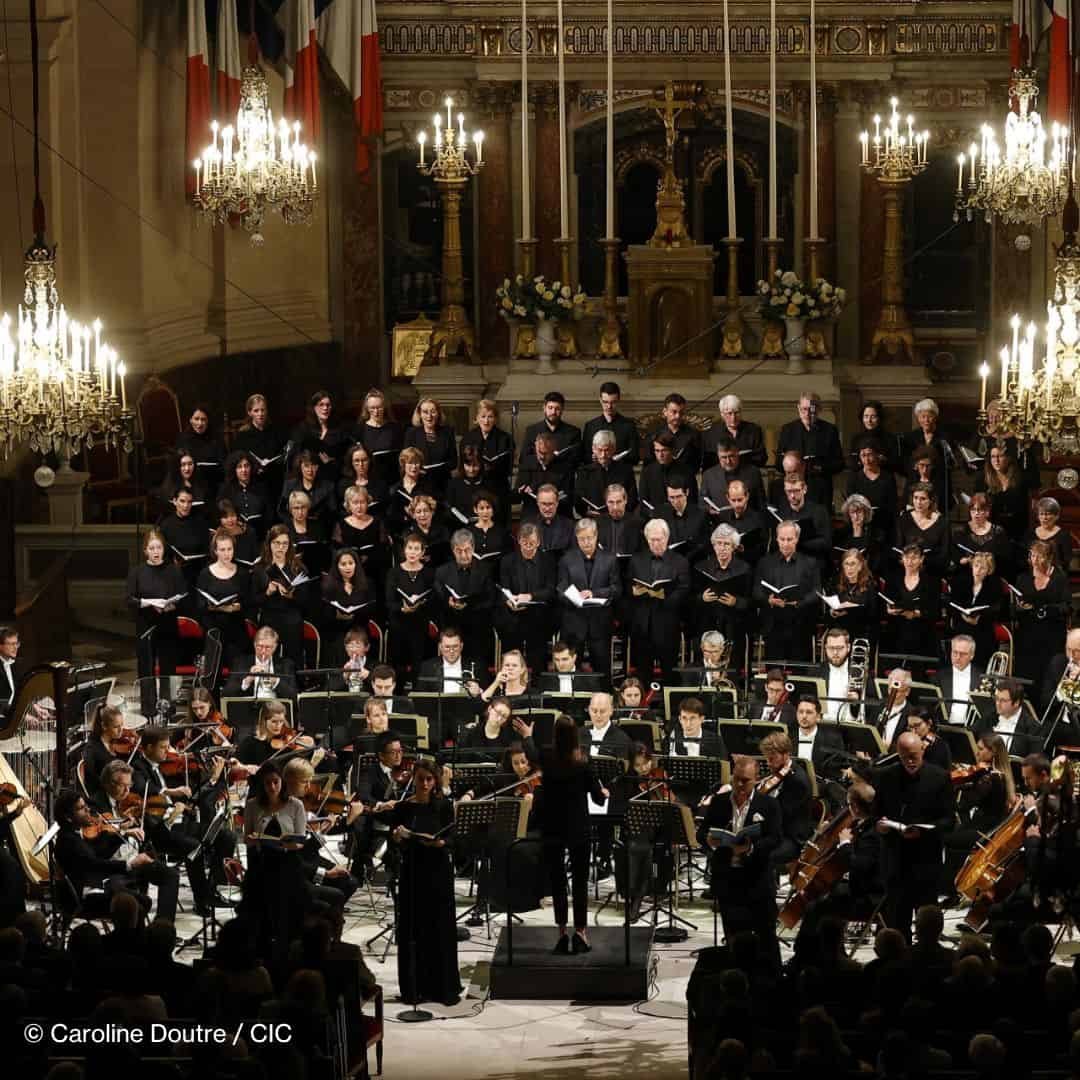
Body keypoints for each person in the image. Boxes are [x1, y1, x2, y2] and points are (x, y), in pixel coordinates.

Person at [382, 759, 462, 1004]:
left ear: (435, 780)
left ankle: (443, 988)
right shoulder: (403, 808)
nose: (425, 784)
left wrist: (441, 843)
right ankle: (415, 988)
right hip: (413, 872)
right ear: (413, 779)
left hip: (438, 871)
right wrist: (396, 837)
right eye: (421, 779)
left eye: (429, 779)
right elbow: (394, 843)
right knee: (413, 930)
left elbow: (454, 839)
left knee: (440, 928)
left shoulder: (444, 806)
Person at [698, 755, 782, 966]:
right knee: (733, 936)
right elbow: (701, 834)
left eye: (745, 780)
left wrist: (752, 847)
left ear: (757, 779)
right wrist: (709, 841)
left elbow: (775, 838)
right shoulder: (719, 802)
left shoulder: (769, 805)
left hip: (757, 879)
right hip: (728, 878)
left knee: (766, 937)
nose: (739, 785)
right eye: (736, 779)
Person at [536, 714, 608, 954]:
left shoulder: (547, 757)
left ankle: (561, 933)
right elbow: (598, 799)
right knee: (579, 881)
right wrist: (603, 791)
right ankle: (580, 933)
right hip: (578, 827)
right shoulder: (583, 761)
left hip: (552, 826)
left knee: (557, 881)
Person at [872, 730, 954, 940]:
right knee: (897, 924)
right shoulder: (885, 776)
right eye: (905, 756)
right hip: (895, 858)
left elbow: (948, 821)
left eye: (914, 756)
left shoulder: (940, 777)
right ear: (897, 754)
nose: (910, 761)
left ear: (922, 751)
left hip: (925, 858)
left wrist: (925, 831)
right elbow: (875, 815)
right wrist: (879, 826)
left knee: (928, 925)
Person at [54, 786, 176, 923]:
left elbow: (94, 857)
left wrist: (122, 831)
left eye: (85, 806)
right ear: (68, 817)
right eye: (81, 808)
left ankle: (159, 929)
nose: (88, 810)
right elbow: (94, 864)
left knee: (153, 887)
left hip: (102, 881)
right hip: (88, 895)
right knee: (139, 905)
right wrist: (130, 864)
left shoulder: (74, 833)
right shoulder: (68, 841)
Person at [242, 761, 309, 959]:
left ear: (282, 782)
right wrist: (254, 840)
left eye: (276, 782)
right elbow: (246, 837)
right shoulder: (253, 805)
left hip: (288, 864)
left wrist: (286, 844)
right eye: (267, 783)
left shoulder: (295, 805)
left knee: (286, 909)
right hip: (262, 864)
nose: (272, 787)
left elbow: (300, 840)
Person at [941, 733, 1013, 893]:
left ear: (993, 752)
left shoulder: (990, 779)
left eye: (981, 749)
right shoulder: (997, 775)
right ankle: (949, 886)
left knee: (946, 838)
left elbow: (964, 806)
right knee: (953, 833)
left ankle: (950, 887)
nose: (977, 753)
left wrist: (955, 789)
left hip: (984, 831)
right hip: (983, 825)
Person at [126, 528, 187, 715]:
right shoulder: (137, 572)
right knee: (146, 668)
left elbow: (184, 596)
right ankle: (149, 710)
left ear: (163, 548)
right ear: (145, 550)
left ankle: (168, 709)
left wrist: (172, 605)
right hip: (146, 624)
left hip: (167, 623)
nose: (155, 551)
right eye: (151, 548)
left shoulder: (173, 571)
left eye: (158, 547)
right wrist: (147, 603)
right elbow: (129, 599)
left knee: (168, 668)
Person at [628, 518, 691, 684]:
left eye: (659, 540)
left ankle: (669, 706)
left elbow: (684, 589)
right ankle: (642, 708)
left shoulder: (680, 561)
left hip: (667, 622)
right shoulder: (636, 560)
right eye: (652, 540)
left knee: (669, 670)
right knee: (643, 671)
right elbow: (628, 585)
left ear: (667, 538)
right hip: (642, 623)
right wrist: (633, 591)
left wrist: (665, 597)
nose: (656, 543)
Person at [557, 518, 621, 675]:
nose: (586, 542)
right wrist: (574, 597)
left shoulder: (610, 559)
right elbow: (560, 590)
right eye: (582, 538)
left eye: (589, 538)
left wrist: (594, 593)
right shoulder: (567, 559)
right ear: (576, 538)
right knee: (570, 672)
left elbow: (617, 589)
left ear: (596, 536)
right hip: (574, 623)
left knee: (602, 670)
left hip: (599, 623)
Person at [753, 521, 821, 663]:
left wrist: (800, 602)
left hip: (800, 622)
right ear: (776, 539)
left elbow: (817, 592)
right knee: (774, 667)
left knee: (800, 670)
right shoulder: (765, 562)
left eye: (789, 539)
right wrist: (768, 600)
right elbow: (756, 591)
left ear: (797, 539)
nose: (785, 543)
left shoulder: (810, 563)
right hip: (774, 623)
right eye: (782, 539)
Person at [495, 522, 556, 676]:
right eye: (524, 543)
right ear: (518, 540)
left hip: (539, 617)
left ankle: (538, 690)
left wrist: (531, 596)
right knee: (510, 649)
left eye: (532, 543)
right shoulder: (507, 561)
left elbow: (550, 590)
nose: (528, 547)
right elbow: (504, 588)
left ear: (539, 542)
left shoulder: (548, 561)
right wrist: (509, 601)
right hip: (514, 616)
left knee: (538, 658)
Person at [1014, 540, 1072, 687]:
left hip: (1051, 633)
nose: (1035, 560)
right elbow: (1013, 609)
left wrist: (1047, 610)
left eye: (1040, 556)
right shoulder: (1023, 578)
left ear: (1049, 558)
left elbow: (1067, 607)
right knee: (1026, 670)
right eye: (1032, 555)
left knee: (1048, 674)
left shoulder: (1059, 578)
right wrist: (1020, 607)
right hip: (1028, 632)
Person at [251, 524, 309, 668]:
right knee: (269, 656)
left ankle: (294, 685)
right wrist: (267, 593)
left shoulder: (298, 567)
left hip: (292, 617)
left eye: (284, 543)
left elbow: (306, 600)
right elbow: (253, 600)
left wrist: (291, 596)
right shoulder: (260, 568)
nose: (280, 547)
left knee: (293, 656)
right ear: (269, 544)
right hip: (269, 617)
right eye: (276, 543)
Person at [434, 530, 494, 669]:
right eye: (458, 551)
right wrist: (448, 603)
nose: (463, 555)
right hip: (451, 622)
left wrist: (469, 606)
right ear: (453, 550)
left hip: (477, 623)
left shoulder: (485, 570)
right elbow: (438, 598)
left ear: (473, 548)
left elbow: (490, 600)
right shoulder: (442, 571)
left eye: (467, 550)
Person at [691, 525, 751, 666]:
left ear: (734, 546)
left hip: (733, 624)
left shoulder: (745, 568)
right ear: (713, 545)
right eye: (719, 543)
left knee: (732, 662)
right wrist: (702, 598)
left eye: (727, 544)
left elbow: (751, 601)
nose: (722, 548)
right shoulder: (700, 567)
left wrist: (736, 602)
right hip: (707, 622)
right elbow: (689, 598)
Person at [775, 392, 844, 509]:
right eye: (804, 409)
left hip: (820, 487)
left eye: (812, 410)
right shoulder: (788, 430)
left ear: (820, 409)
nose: (807, 414)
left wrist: (821, 467)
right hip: (794, 487)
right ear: (798, 408)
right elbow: (778, 463)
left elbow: (839, 463)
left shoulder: (830, 430)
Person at [194, 527, 251, 668]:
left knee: (238, 672)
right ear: (215, 551)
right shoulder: (205, 574)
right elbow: (199, 605)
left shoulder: (242, 573)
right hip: (213, 631)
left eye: (229, 549)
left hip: (236, 630)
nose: (227, 554)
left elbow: (249, 601)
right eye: (223, 550)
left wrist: (239, 607)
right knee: (213, 674)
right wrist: (213, 607)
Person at [759, 731, 813, 875]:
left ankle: (766, 891)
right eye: (767, 758)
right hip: (776, 831)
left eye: (772, 758)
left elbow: (781, 815)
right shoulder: (777, 772)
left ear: (786, 754)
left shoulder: (797, 781)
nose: (768, 763)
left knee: (761, 853)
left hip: (791, 838)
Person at [883, 544, 940, 667]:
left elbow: (935, 610)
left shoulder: (931, 581)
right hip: (897, 628)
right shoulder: (893, 579)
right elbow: (886, 604)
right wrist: (889, 610)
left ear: (921, 560)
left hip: (922, 629)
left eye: (914, 558)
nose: (910, 561)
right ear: (902, 558)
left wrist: (915, 613)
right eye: (907, 557)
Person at [459, 399, 515, 519]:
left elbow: (509, 468)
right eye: (483, 416)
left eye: (490, 417)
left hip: (497, 488)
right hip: (474, 489)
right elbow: (462, 466)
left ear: (495, 419)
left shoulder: (505, 438)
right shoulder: (468, 438)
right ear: (476, 418)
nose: (486, 420)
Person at [947, 552, 1001, 667]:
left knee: (983, 640)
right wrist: (963, 615)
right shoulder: (961, 581)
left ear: (988, 570)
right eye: (976, 566)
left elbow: (996, 609)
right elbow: (951, 604)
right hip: (961, 625)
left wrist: (979, 618)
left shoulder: (994, 585)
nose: (978, 570)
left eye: (983, 568)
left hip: (982, 627)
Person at [900, 399, 954, 512]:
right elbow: (906, 464)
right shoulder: (910, 437)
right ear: (918, 418)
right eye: (922, 417)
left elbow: (949, 462)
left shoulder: (945, 437)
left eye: (929, 416)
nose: (926, 420)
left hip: (938, 483)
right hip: (915, 482)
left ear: (935, 417)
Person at [320, 548, 371, 667]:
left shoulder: (365, 584)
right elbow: (323, 613)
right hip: (336, 630)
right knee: (339, 642)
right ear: (337, 566)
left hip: (359, 628)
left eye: (351, 563)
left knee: (359, 639)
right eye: (343, 564)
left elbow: (370, 610)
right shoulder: (328, 586)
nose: (348, 567)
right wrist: (336, 615)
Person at [290, 390, 350, 484]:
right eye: (321, 405)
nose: (325, 408)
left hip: (331, 477)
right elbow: (296, 454)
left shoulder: (340, 430)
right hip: (307, 477)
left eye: (328, 405)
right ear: (314, 407)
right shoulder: (303, 429)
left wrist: (331, 461)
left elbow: (346, 458)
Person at [225, 625, 298, 702]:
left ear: (275, 647)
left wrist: (276, 681)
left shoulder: (286, 664)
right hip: (249, 708)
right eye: (260, 646)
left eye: (268, 647)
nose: (263, 651)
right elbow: (226, 693)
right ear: (254, 644)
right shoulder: (240, 662)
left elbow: (294, 696)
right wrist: (248, 680)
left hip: (276, 708)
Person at [574, 429, 638, 517]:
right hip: (593, 519)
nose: (603, 455)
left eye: (607, 450)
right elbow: (578, 501)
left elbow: (632, 499)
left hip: (619, 519)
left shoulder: (626, 471)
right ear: (593, 449)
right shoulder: (584, 472)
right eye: (600, 450)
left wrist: (620, 511)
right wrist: (585, 512)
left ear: (614, 449)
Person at [403, 396, 458, 497]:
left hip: (443, 484)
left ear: (438, 413)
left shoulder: (447, 432)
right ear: (419, 414)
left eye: (433, 411)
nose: (429, 416)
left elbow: (453, 462)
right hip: (420, 484)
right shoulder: (411, 433)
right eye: (425, 412)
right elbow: (406, 460)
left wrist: (436, 470)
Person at [232, 393, 286, 494]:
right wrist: (255, 467)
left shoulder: (276, 431)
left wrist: (272, 462)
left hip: (274, 476)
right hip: (252, 478)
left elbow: (283, 453)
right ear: (249, 412)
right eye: (256, 411)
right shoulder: (243, 435)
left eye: (263, 410)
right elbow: (237, 458)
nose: (260, 414)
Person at [829, 548, 880, 652]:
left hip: (863, 627)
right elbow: (832, 604)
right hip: (841, 627)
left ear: (860, 566)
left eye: (853, 564)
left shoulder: (870, 585)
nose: (849, 568)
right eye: (846, 564)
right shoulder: (837, 583)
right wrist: (832, 612)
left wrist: (851, 612)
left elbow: (874, 613)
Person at [354, 387, 404, 493]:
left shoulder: (395, 428)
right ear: (367, 408)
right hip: (369, 481)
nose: (376, 412)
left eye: (379, 408)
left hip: (392, 480)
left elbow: (402, 454)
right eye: (372, 408)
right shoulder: (360, 429)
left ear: (384, 408)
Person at [895, 482, 950, 576]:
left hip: (933, 571)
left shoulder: (942, 523)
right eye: (915, 498)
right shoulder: (904, 519)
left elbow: (945, 554)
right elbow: (898, 548)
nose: (918, 502)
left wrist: (923, 561)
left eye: (923, 499)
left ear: (931, 500)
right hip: (908, 570)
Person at [976, 679, 1043, 756]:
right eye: (996, 699)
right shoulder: (988, 718)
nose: (998, 704)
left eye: (1003, 700)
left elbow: (1034, 763)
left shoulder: (1034, 728)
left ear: (1016, 703)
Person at [976, 444, 1029, 541]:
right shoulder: (982, 480)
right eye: (993, 456)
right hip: (991, 530)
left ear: (1008, 458)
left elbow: (1025, 509)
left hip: (1016, 529)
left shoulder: (1019, 479)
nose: (996, 460)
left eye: (1000, 456)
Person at [699, 436, 765, 513]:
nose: (728, 461)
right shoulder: (708, 475)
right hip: (719, 521)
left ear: (738, 453)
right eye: (724, 457)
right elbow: (702, 503)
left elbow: (761, 503)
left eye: (731, 456)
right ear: (718, 456)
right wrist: (709, 510)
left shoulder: (753, 472)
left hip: (748, 521)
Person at [954, 493, 1012, 579]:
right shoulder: (961, 531)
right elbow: (955, 555)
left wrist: (991, 558)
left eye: (980, 510)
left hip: (991, 577)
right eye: (973, 510)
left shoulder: (998, 532)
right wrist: (963, 560)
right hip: (968, 576)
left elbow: (1006, 559)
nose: (976, 513)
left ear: (987, 512)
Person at [520, 390, 581, 471]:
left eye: (557, 409)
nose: (553, 412)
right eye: (550, 408)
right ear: (544, 408)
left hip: (563, 479)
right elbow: (524, 459)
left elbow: (576, 461)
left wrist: (551, 459)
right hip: (538, 479)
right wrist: (542, 459)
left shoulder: (573, 433)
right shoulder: (531, 431)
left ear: (562, 409)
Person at [643, 393, 703, 475]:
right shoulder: (653, 433)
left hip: (685, 481)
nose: (678, 416)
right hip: (659, 479)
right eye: (674, 412)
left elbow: (697, 463)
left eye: (681, 412)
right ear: (665, 412)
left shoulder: (694, 435)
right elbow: (648, 462)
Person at [702, 393, 768, 465]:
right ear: (722, 414)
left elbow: (762, 458)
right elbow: (708, 463)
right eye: (729, 413)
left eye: (736, 413)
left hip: (746, 472)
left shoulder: (754, 430)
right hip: (721, 475)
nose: (733, 418)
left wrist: (737, 459)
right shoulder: (711, 433)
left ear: (741, 412)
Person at [581, 382, 639, 463]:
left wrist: (614, 459)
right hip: (597, 474)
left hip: (620, 473)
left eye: (613, 402)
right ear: (600, 400)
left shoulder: (629, 425)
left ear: (619, 400)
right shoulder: (590, 426)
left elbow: (635, 456)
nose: (609, 406)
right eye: (605, 402)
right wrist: (592, 458)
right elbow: (583, 456)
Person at [790, 696, 845, 780]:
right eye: (800, 712)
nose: (804, 716)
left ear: (818, 716)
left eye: (809, 712)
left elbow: (836, 770)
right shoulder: (788, 737)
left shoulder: (832, 740)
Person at [219, 449, 271, 538]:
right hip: (234, 535)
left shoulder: (262, 488)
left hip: (260, 534)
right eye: (239, 467)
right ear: (234, 469)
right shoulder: (226, 490)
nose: (244, 470)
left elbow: (269, 513)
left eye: (246, 466)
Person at [936, 634, 985, 727]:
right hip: (944, 728)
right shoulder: (939, 676)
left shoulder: (982, 677)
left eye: (963, 654)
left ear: (972, 655)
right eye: (955, 652)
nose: (958, 657)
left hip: (972, 729)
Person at [415, 627, 481, 695]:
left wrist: (479, 691)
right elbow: (420, 697)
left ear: (461, 646)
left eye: (455, 646)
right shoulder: (427, 667)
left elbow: (487, 696)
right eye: (447, 647)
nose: (451, 651)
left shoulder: (477, 666)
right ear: (440, 647)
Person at [639, 434, 696, 511]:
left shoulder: (686, 471)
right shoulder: (647, 472)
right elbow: (644, 502)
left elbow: (692, 500)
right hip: (655, 518)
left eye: (664, 450)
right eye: (657, 451)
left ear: (672, 450)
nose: (660, 455)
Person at [279, 449, 337, 525]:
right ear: (300, 467)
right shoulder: (290, 484)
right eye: (306, 466)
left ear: (318, 467)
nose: (310, 470)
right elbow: (281, 510)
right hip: (294, 525)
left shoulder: (328, 486)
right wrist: (293, 522)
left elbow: (332, 512)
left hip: (319, 527)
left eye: (314, 466)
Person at [1023, 497, 1075, 578]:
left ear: (1056, 516)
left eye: (1048, 514)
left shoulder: (1063, 535)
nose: (1044, 518)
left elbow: (1066, 561)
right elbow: (1025, 557)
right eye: (1041, 514)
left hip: (1054, 577)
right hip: (1032, 576)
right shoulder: (1030, 534)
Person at [818, 628, 862, 723]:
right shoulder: (816, 671)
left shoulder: (859, 672)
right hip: (824, 726)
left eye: (839, 648)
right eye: (831, 648)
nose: (835, 653)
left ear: (848, 647)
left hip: (852, 726)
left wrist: (857, 701)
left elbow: (874, 702)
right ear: (825, 647)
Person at [81, 704, 125, 798]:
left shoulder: (117, 742)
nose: (121, 730)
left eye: (122, 725)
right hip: (105, 796)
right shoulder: (92, 750)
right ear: (104, 726)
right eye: (116, 727)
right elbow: (92, 783)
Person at [0, 627, 28, 717]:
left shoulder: (15, 665)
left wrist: (34, 707)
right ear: (1, 646)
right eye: (11, 644)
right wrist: (21, 714)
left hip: (10, 719)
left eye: (17, 643)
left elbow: (17, 695)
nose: (15, 647)